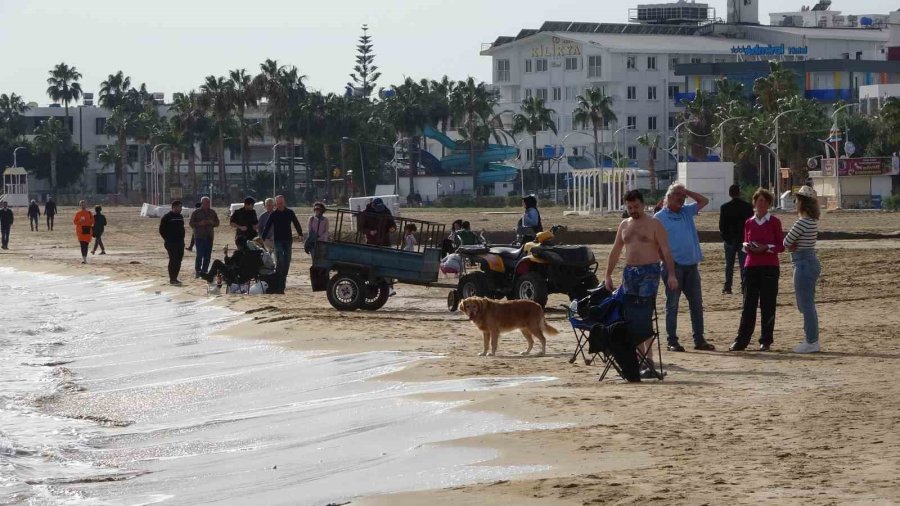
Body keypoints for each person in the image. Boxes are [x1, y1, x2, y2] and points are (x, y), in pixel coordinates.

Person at [605, 190, 680, 379]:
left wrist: (671, 274)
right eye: (629, 207)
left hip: (649, 272)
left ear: (643, 204)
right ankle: (638, 360)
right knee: (630, 317)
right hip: (630, 273)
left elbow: (665, 251)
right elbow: (615, 251)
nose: (633, 211)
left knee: (643, 316)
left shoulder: (654, 224)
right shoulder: (624, 225)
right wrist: (607, 275)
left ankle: (649, 361)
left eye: (636, 206)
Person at [654, 182, 716, 352]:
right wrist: (670, 269)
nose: (681, 199)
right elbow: (657, 246)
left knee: (696, 304)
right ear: (668, 197)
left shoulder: (687, 211)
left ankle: (699, 339)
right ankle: (672, 340)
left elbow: (704, 201)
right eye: (678, 196)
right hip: (673, 268)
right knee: (672, 305)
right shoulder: (659, 218)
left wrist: (686, 190)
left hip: (691, 267)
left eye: (683, 197)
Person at [729, 188, 784, 352]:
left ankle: (766, 340)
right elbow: (745, 242)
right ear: (754, 202)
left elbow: (780, 246)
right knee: (748, 304)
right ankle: (742, 340)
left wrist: (766, 247)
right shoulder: (749, 222)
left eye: (764, 201)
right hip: (751, 265)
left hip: (769, 266)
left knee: (768, 304)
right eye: (758, 201)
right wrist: (747, 246)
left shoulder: (774, 222)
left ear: (768, 204)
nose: (761, 204)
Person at [784, 186, 821, 354]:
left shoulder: (802, 222)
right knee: (807, 303)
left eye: (797, 200)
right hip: (809, 261)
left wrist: (792, 246)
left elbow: (787, 242)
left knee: (805, 304)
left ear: (802, 203)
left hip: (803, 263)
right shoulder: (812, 221)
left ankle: (811, 340)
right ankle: (811, 339)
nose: (795, 202)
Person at [261, 195, 304, 294]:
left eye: (281, 203)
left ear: (284, 202)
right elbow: (267, 226)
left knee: (287, 262)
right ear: (276, 204)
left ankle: (282, 283)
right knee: (280, 263)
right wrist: (262, 238)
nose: (279, 205)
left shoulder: (289, 212)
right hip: (278, 241)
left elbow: (296, 223)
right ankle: (279, 287)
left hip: (288, 241)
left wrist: (300, 234)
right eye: (278, 203)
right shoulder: (274, 214)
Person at [719, 184, 753, 295]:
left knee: (729, 265)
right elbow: (751, 224)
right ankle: (745, 286)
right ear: (740, 193)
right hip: (743, 239)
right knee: (744, 265)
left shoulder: (724, 207)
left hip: (729, 240)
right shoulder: (747, 207)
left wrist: (726, 237)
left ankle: (728, 287)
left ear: (730, 194)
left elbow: (721, 225)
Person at [200, 236, 268, 291]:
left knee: (217, 263)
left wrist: (226, 254)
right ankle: (215, 283)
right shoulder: (254, 253)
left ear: (238, 245)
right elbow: (260, 264)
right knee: (222, 268)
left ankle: (212, 279)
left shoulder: (238, 253)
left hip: (237, 277)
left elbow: (228, 263)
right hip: (250, 276)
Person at [188, 197, 220, 278]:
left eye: (208, 203)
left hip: (209, 236)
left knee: (207, 256)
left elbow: (217, 223)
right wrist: (199, 223)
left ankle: (204, 271)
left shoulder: (212, 212)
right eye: (206, 203)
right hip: (199, 237)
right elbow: (191, 223)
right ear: (202, 203)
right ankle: (198, 271)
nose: (207, 204)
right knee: (199, 255)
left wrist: (212, 223)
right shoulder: (196, 212)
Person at [159, 200, 186, 286]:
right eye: (179, 207)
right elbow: (161, 230)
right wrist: (167, 239)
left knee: (179, 260)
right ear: (174, 207)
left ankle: (175, 278)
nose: (181, 209)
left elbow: (182, 228)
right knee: (173, 260)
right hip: (171, 242)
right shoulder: (167, 217)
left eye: (181, 207)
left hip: (180, 242)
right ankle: (172, 279)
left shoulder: (180, 217)